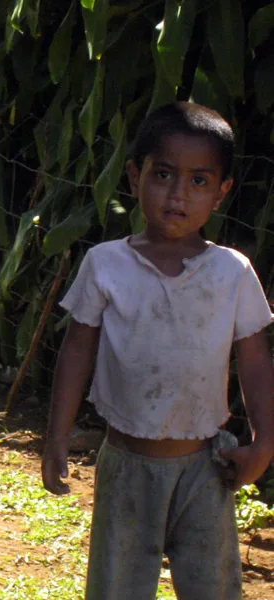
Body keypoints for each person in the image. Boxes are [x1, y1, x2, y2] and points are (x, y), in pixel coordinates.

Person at [41, 101, 274, 599]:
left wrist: (265, 441)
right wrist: (56, 437)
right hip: (125, 464)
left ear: (222, 192)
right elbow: (77, 350)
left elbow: (254, 359)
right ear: (134, 176)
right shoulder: (105, 265)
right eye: (163, 174)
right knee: (117, 589)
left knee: (212, 588)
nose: (177, 194)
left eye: (198, 181)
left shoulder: (231, 272)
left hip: (207, 468)